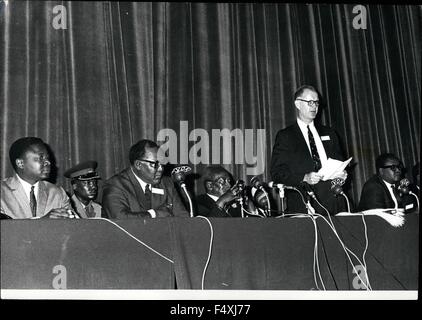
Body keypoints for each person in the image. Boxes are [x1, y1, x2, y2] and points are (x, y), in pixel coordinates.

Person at [270, 85, 348, 214]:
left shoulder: (330, 133)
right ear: (298, 104)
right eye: (310, 102)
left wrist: (343, 174)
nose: (314, 107)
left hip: (334, 200)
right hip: (304, 202)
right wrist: (304, 177)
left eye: (317, 103)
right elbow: (277, 173)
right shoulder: (286, 136)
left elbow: (340, 163)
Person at [101, 139, 189, 218]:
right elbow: (120, 218)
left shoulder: (167, 183)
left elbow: (183, 218)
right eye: (155, 164)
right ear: (138, 165)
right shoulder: (115, 185)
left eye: (162, 164)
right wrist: (154, 214)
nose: (161, 169)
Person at [1, 137, 74, 219]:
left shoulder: (58, 193)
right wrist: (41, 223)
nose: (48, 162)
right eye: (41, 158)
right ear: (20, 163)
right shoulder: (2, 193)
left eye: (47, 158)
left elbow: (76, 227)